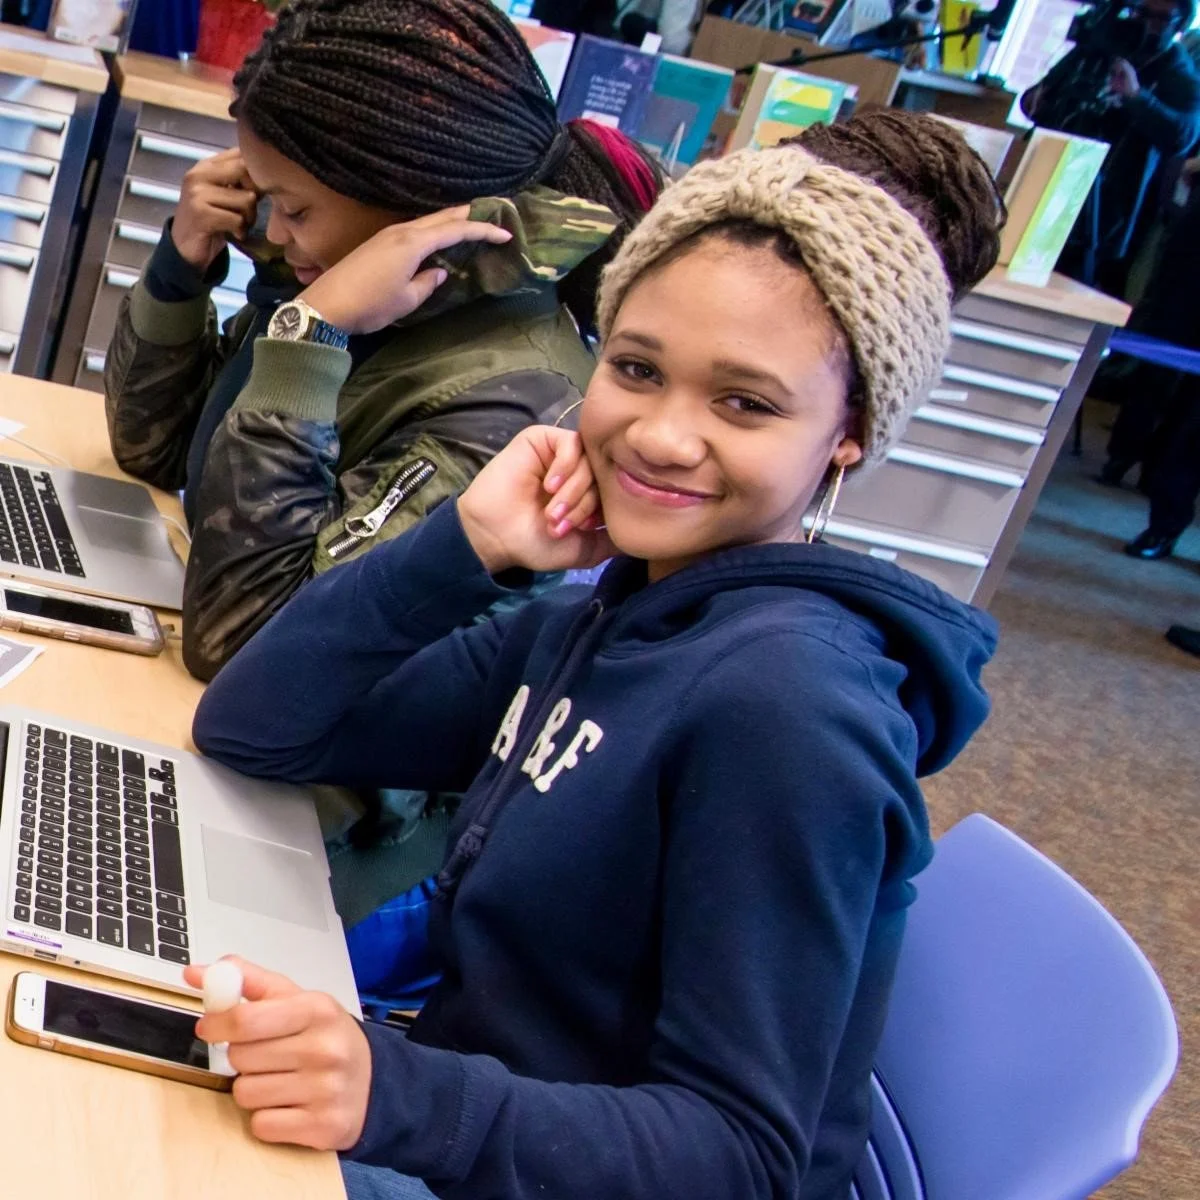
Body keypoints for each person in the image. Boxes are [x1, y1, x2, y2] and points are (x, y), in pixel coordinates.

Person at [188, 111, 1003, 1199]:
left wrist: (399, 1095)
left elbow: (745, 1158)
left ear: (847, 433)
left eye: (745, 402)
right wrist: (465, 547)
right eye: (636, 368)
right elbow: (257, 723)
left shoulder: (788, 708)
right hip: (481, 1121)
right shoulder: (612, 615)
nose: (662, 435)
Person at [105, 0, 661, 686]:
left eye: (298, 209)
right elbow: (152, 448)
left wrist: (307, 339)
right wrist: (181, 268)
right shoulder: (365, 294)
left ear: (415, 202)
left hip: (325, 786)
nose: (275, 233)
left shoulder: (512, 406)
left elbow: (242, 647)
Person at [1021, 0, 1200, 295]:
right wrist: (1035, 101)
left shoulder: (1178, 71)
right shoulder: (1098, 51)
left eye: (1158, 19)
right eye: (1140, 13)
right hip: (1046, 181)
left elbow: (1184, 135)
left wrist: (1135, 96)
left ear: (1179, 24)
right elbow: (1037, 96)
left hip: (1105, 211)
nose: (1144, 24)